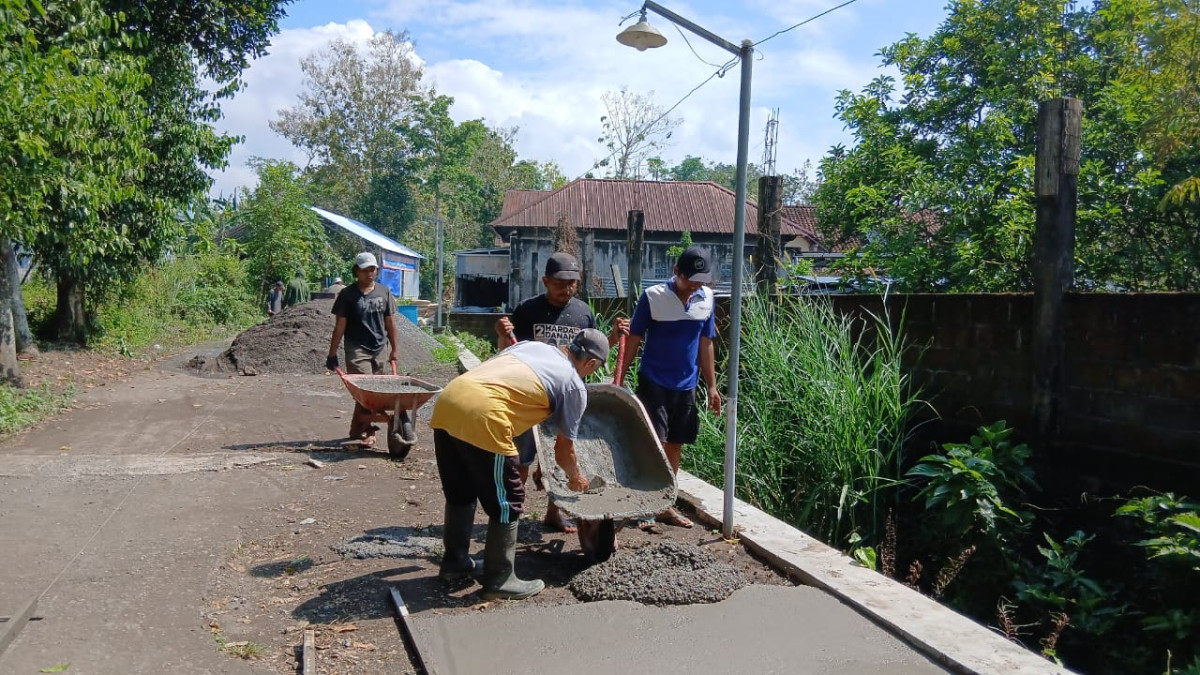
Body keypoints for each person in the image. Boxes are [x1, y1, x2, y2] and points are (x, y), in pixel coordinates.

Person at [430, 329, 609, 600]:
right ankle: (500, 579)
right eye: (593, 370)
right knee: (508, 500)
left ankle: (455, 563)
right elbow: (564, 451)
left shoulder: (532, 347)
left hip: (449, 400)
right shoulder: (573, 385)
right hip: (484, 414)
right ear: (592, 363)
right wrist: (576, 477)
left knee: (461, 492)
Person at [493, 251, 629, 533]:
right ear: (545, 281)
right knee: (521, 459)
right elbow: (509, 352)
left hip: (564, 398)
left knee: (562, 454)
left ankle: (553, 512)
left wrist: (614, 337)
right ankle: (512, 518)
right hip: (530, 397)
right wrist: (502, 334)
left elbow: (592, 353)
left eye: (572, 283)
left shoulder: (582, 312)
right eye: (559, 283)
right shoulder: (527, 310)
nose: (566, 289)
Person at [616, 246, 722, 529]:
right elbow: (634, 338)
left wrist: (712, 386)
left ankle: (664, 504)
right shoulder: (653, 296)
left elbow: (706, 343)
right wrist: (620, 380)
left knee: (675, 444)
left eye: (701, 280)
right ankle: (645, 506)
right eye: (691, 280)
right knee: (655, 444)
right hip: (654, 381)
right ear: (676, 272)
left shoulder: (707, 298)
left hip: (686, 385)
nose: (695, 286)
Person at [325, 252, 401, 445]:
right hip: (357, 349)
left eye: (372, 269)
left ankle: (356, 429)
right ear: (356, 271)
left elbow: (390, 323)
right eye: (365, 270)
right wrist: (332, 353)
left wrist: (394, 350)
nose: (369, 273)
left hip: (380, 348)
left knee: (372, 394)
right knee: (366, 390)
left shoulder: (384, 292)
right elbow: (340, 326)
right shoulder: (347, 295)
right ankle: (368, 429)